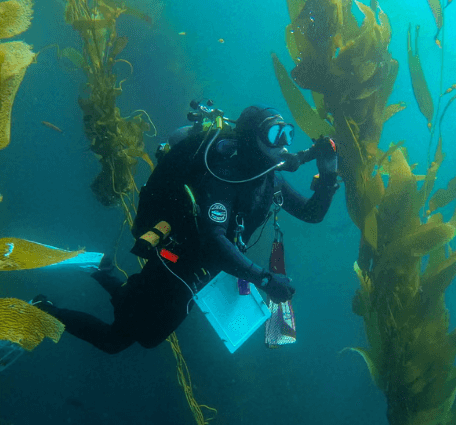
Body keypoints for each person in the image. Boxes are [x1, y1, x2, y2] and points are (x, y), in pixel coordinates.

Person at [38, 101, 339, 354]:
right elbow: (214, 240)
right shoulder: (224, 178)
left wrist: (327, 176)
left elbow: (310, 213)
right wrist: (264, 279)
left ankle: (101, 269)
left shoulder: (269, 179)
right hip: (176, 263)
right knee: (118, 340)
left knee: (138, 325)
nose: (285, 143)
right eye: (275, 133)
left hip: (199, 275)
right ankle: (44, 309)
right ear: (250, 140)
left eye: (288, 132)